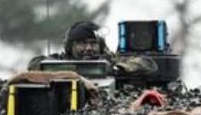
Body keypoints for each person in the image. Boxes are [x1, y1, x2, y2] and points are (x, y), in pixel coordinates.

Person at [27, 21, 158, 77]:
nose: (88, 48)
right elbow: (34, 64)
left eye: (93, 43)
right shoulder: (59, 60)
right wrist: (65, 69)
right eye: (82, 43)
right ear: (70, 46)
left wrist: (117, 69)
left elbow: (148, 63)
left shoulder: (110, 61)